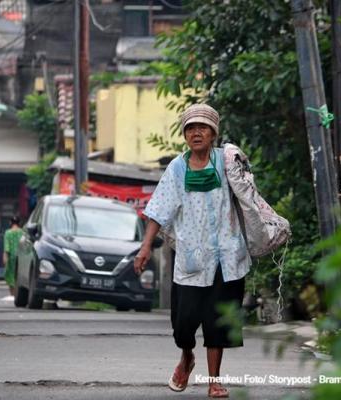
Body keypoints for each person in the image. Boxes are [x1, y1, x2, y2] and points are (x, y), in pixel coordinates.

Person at [134, 104, 250, 398]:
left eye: (203, 128)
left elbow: (250, 197)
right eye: (190, 128)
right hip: (191, 260)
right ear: (185, 135)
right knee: (183, 325)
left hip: (227, 257)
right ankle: (187, 356)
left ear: (213, 133)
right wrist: (146, 246)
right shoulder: (177, 168)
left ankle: (214, 380)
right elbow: (159, 209)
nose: (196, 133)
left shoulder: (227, 162)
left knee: (217, 322)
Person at [2, 216, 23, 296]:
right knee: (20, 277)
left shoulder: (8, 233)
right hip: (21, 258)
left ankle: (13, 294)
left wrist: (5, 257)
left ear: (10, 223)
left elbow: (6, 247)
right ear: (19, 223)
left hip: (11, 259)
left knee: (11, 278)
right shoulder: (22, 232)